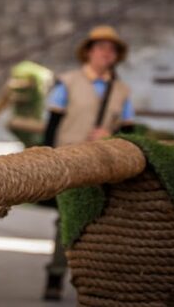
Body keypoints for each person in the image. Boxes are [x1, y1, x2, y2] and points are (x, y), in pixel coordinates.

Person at [41, 25, 135, 301]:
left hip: (105, 165)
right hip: (70, 162)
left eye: (112, 49)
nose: (107, 53)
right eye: (102, 47)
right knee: (66, 221)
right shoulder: (67, 82)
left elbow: (129, 133)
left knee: (103, 224)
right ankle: (55, 276)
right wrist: (48, 161)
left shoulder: (122, 90)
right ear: (89, 52)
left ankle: (95, 282)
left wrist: (110, 135)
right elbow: (51, 126)